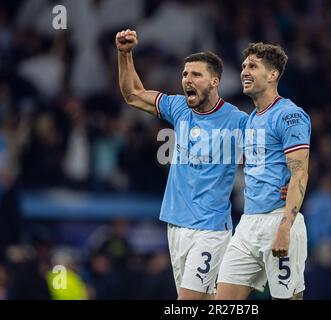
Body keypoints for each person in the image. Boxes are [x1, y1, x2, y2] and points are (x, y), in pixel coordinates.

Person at [115, 29, 248, 300]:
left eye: (196, 74)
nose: (187, 79)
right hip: (176, 225)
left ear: (214, 81)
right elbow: (133, 94)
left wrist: (285, 183)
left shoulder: (237, 120)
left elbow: (270, 151)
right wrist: (125, 54)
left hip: (210, 229)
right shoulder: (179, 108)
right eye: (185, 74)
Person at [216, 42, 311, 300]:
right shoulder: (252, 119)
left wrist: (285, 228)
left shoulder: (290, 116)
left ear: (272, 75)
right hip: (248, 223)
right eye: (244, 66)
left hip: (278, 220)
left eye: (253, 66)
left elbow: (300, 174)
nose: (244, 71)